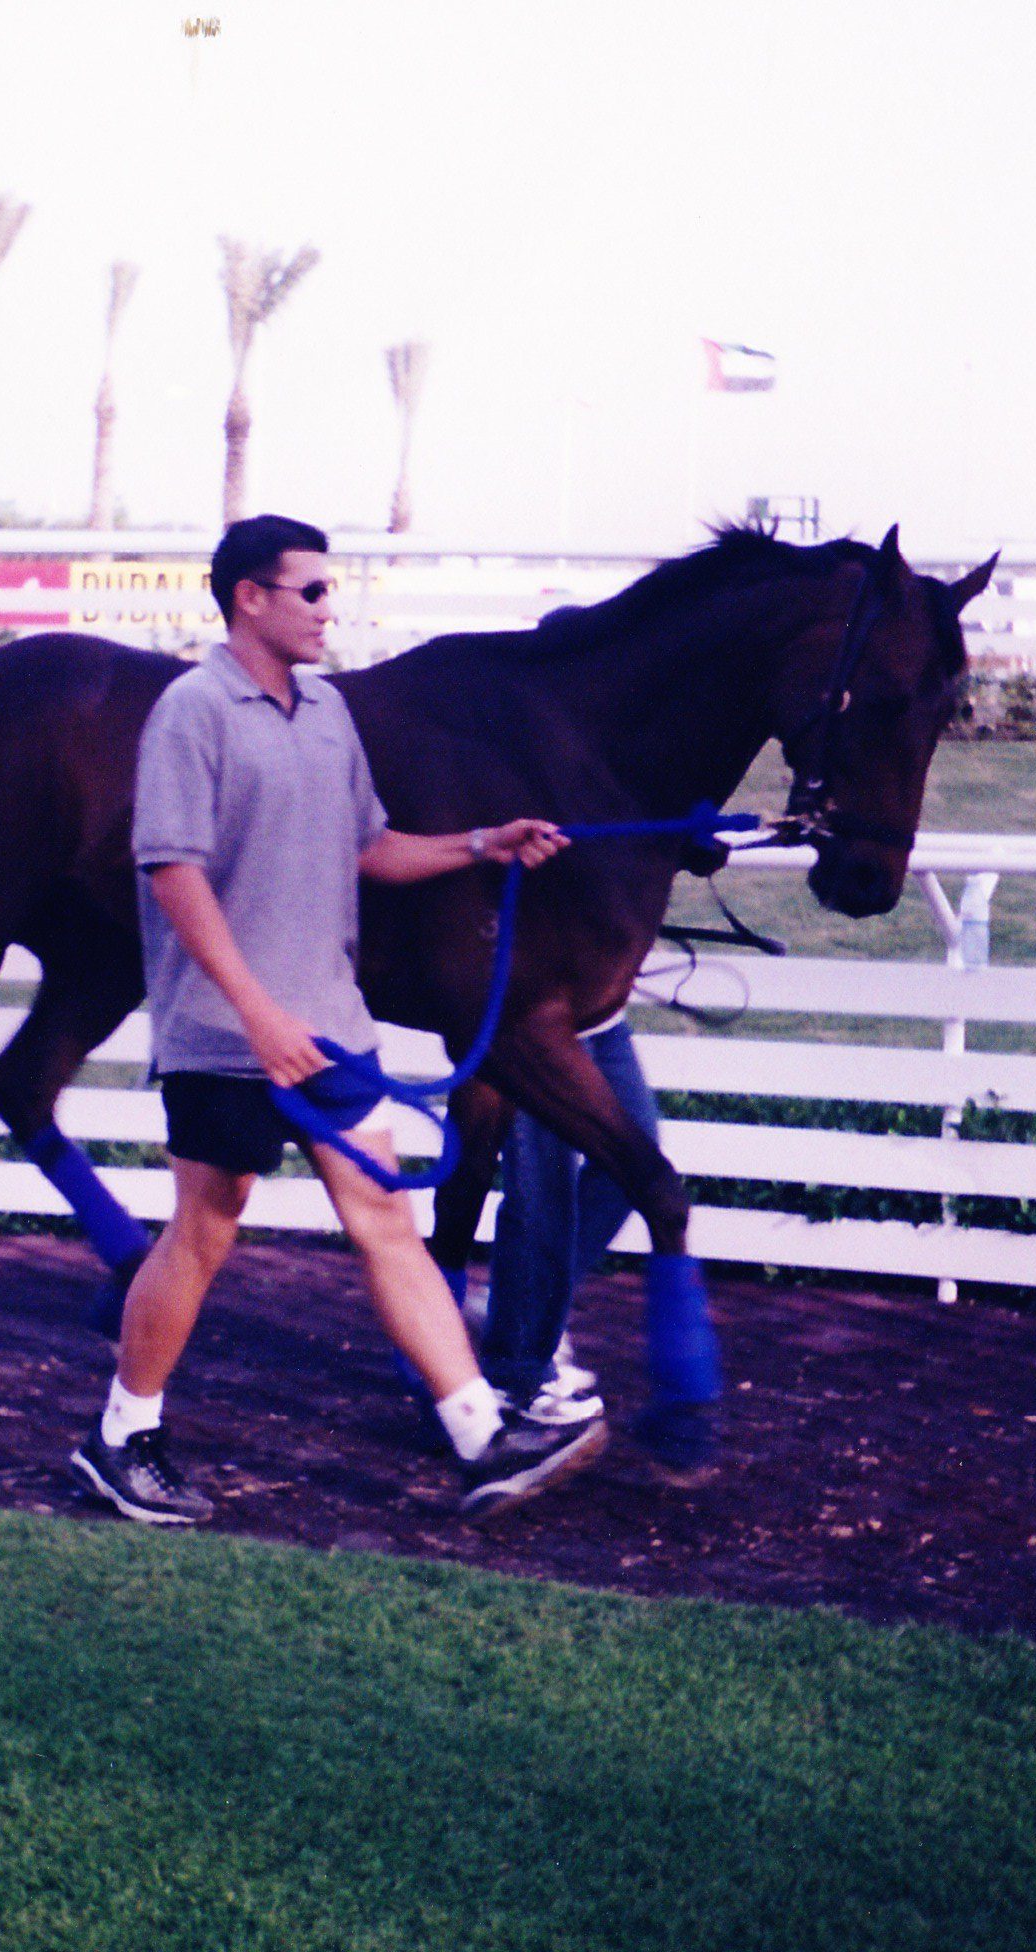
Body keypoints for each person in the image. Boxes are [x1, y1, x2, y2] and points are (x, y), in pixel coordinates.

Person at [71, 515, 611, 1525]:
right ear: (250, 598)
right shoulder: (193, 712)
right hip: (228, 1035)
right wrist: (257, 1015)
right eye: (311, 590)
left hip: (332, 1024)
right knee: (204, 1230)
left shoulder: (325, 710)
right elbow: (173, 871)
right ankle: (121, 1437)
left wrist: (481, 844)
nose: (329, 608)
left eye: (330, 590)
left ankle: (479, 1435)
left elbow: (371, 846)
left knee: (385, 1220)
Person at [473, 1014, 659, 1427]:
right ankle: (515, 1373)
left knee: (634, 1157)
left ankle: (516, 1306)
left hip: (599, 1015)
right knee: (543, 1177)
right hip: (532, 1012)